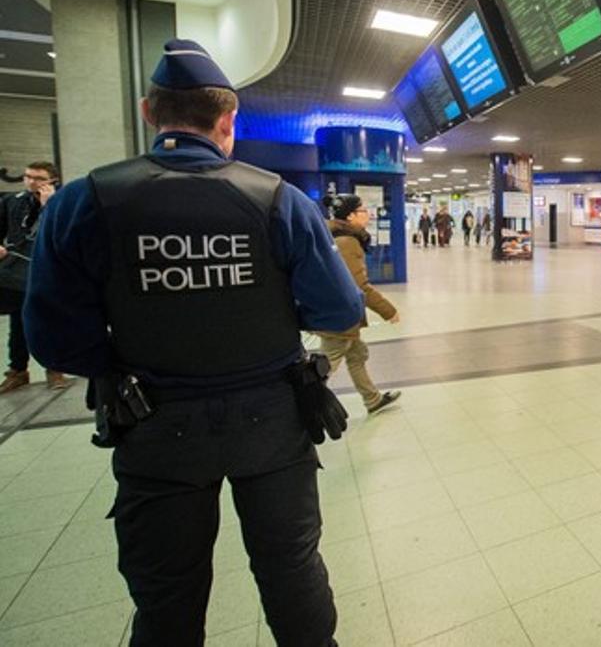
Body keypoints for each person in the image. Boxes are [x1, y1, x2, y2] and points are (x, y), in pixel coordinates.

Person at [22, 39, 364, 646]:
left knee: (166, 598)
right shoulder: (277, 199)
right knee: (291, 573)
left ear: (149, 112)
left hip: (152, 427)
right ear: (227, 119)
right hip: (272, 426)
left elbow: (53, 336)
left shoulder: (85, 201)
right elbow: (339, 307)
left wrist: (120, 357)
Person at [318, 194, 400, 414]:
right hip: (338, 315)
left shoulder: (338, 235)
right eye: (363, 210)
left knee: (357, 354)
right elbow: (358, 285)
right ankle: (302, 407)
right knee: (325, 365)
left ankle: (372, 400)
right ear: (351, 215)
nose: (369, 214)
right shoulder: (346, 241)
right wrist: (387, 310)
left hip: (338, 311)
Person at [0, 162, 72, 392]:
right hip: (14, 269)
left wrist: (47, 206)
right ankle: (18, 369)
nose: (32, 182)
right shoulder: (12, 202)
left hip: (46, 269)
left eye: (39, 178)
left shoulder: (62, 202)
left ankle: (54, 368)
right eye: (28, 176)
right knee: (18, 320)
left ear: (53, 181)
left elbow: (65, 232)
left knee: (48, 319)